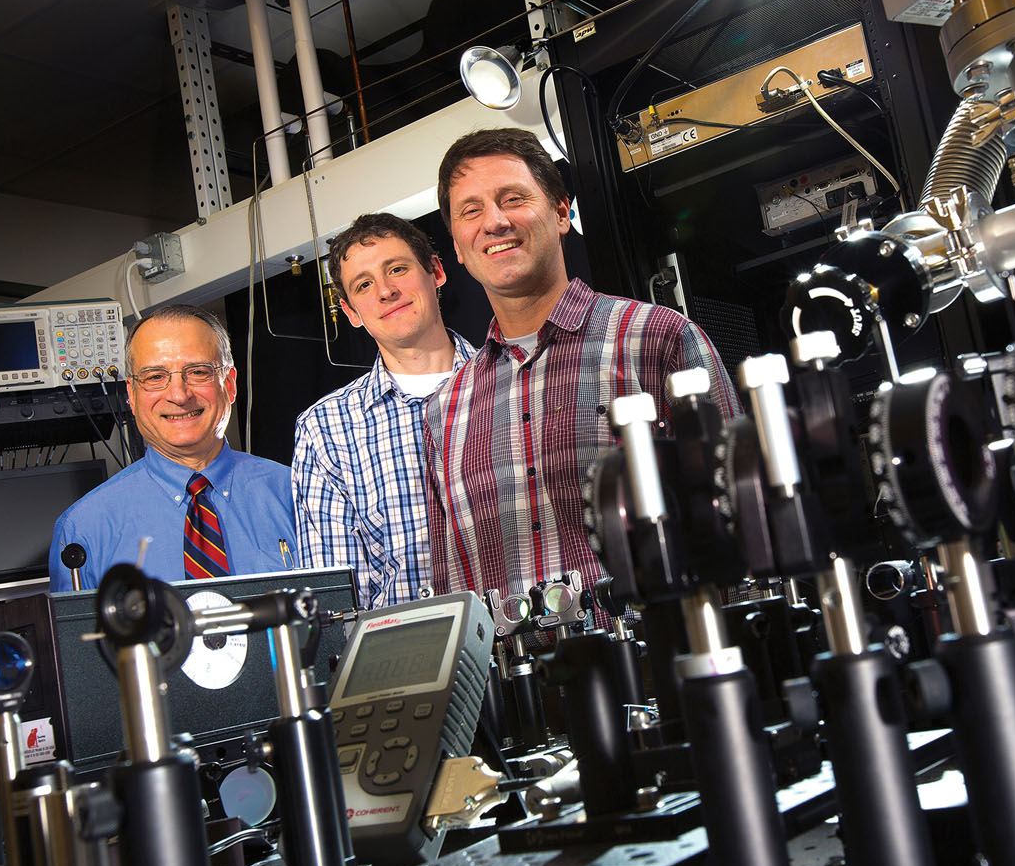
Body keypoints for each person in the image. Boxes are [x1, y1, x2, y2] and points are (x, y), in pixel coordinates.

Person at [423, 128, 740, 617]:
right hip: (521, 690)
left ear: (561, 212)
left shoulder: (658, 338)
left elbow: (742, 514)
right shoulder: (445, 408)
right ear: (459, 249)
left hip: (664, 672)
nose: (495, 221)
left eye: (513, 199)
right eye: (472, 210)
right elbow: (450, 588)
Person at [293, 213, 475, 609]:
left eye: (397, 269)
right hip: (409, 662)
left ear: (436, 271)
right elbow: (337, 606)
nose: (385, 291)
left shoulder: (510, 380)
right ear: (352, 312)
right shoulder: (325, 430)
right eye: (364, 284)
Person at [49, 304, 295, 591]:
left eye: (198, 372)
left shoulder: (298, 495)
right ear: (131, 393)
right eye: (155, 377)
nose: (179, 395)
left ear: (229, 384)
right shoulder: (83, 530)